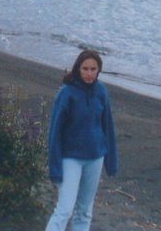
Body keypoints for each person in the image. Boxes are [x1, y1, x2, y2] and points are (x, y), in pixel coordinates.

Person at [45, 49, 118, 231]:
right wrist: (54, 167)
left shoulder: (101, 91)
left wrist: (111, 162)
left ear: (98, 70)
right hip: (70, 158)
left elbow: (107, 126)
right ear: (78, 68)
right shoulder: (66, 93)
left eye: (93, 69)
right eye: (85, 68)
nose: (89, 73)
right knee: (65, 209)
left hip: (95, 158)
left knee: (84, 211)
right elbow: (55, 132)